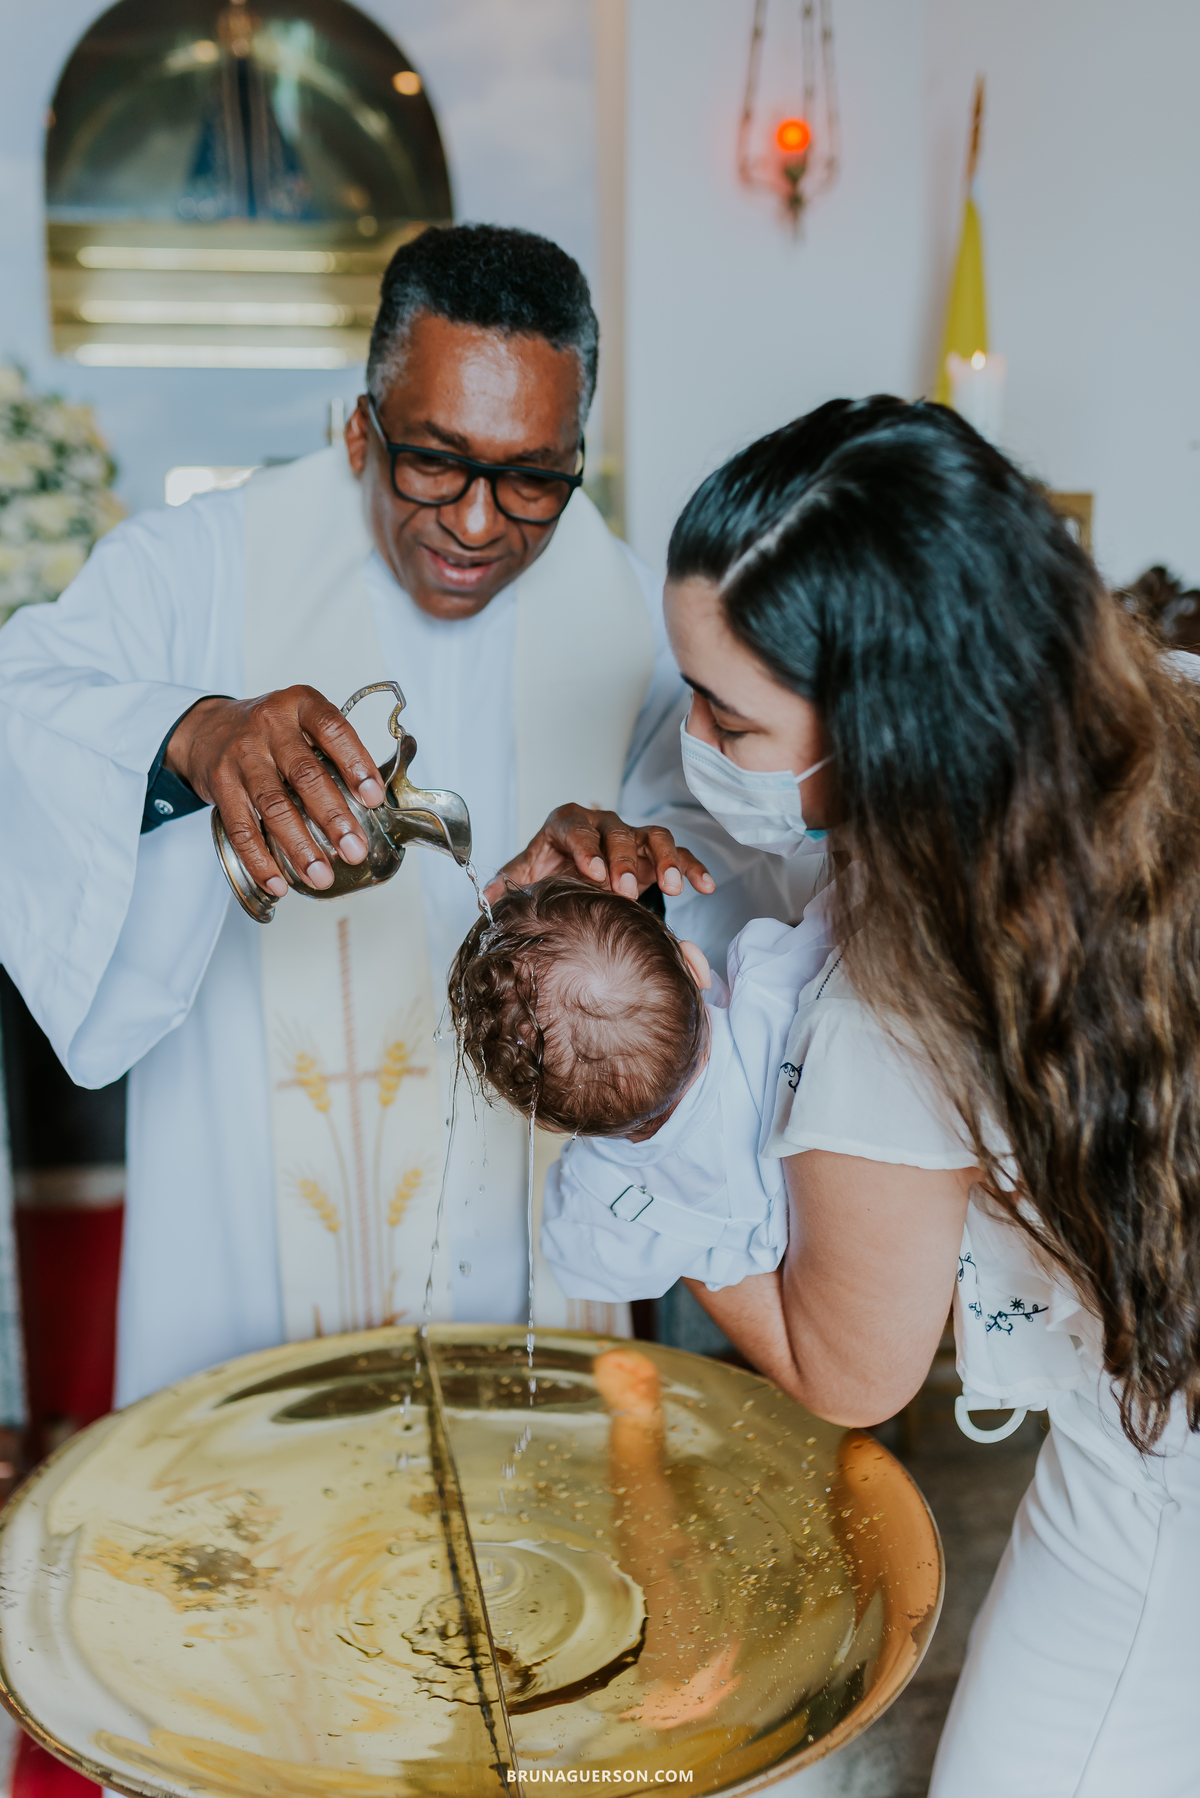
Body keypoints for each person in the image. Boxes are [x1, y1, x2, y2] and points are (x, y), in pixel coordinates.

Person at [0, 224, 821, 1407]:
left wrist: (633, 877)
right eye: (434, 461)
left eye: (534, 476)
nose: (480, 523)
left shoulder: (632, 613)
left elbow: (748, 873)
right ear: (358, 426)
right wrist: (193, 734)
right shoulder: (200, 569)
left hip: (535, 1232)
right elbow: (27, 712)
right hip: (255, 1239)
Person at [613, 394, 1199, 1796]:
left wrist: (652, 1140)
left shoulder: (899, 993)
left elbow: (850, 1370)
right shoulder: (1164, 701)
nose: (687, 738)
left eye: (726, 717)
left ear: (886, 729)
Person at [448, 872, 834, 1303]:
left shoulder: (607, 1193)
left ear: (552, 1125)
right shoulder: (774, 982)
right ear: (694, 964)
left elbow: (577, 1265)